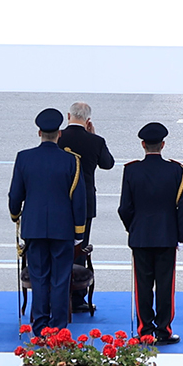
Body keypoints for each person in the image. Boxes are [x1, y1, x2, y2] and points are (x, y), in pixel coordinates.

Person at [8, 108, 87, 332]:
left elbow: (15, 196)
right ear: (59, 133)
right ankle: (59, 328)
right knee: (60, 280)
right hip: (62, 230)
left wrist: (16, 216)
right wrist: (78, 233)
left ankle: (40, 326)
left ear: (39, 132)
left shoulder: (24, 157)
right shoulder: (72, 161)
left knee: (39, 278)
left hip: (33, 228)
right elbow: (78, 200)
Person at [118, 122, 183, 345]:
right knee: (166, 285)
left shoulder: (131, 170)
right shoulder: (176, 170)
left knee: (143, 285)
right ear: (163, 144)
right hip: (167, 236)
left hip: (140, 236)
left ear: (143, 145)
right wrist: (182, 237)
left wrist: (134, 226)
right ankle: (163, 330)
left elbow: (124, 208)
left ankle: (145, 330)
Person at [56, 101, 114, 268]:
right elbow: (107, 164)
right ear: (88, 120)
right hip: (85, 202)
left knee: (58, 247)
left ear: (68, 116)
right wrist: (95, 137)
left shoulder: (57, 137)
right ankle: (78, 289)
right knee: (79, 248)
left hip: (60, 200)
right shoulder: (95, 141)